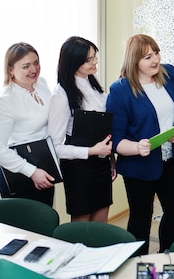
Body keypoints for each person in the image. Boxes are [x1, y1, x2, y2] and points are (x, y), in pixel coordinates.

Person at [106, 34, 174, 255]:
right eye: (147, 57)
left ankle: (166, 257)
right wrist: (136, 147)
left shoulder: (170, 74)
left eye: (156, 53)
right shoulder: (120, 90)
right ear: (134, 61)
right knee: (141, 219)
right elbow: (115, 138)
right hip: (138, 167)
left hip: (171, 160)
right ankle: (138, 265)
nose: (155, 60)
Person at [48, 36, 115, 223]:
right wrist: (92, 151)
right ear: (73, 62)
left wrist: (109, 158)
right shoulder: (61, 95)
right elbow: (56, 146)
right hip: (78, 167)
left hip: (101, 161)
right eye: (88, 60)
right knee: (82, 225)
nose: (94, 62)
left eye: (95, 57)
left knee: (101, 222)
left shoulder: (92, 81)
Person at [0, 42, 55, 206]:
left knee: (45, 220)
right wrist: (31, 172)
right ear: (10, 70)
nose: (34, 70)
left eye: (36, 63)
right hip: (18, 169)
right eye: (26, 66)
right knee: (25, 227)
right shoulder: (4, 102)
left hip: (43, 164)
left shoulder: (42, 85)